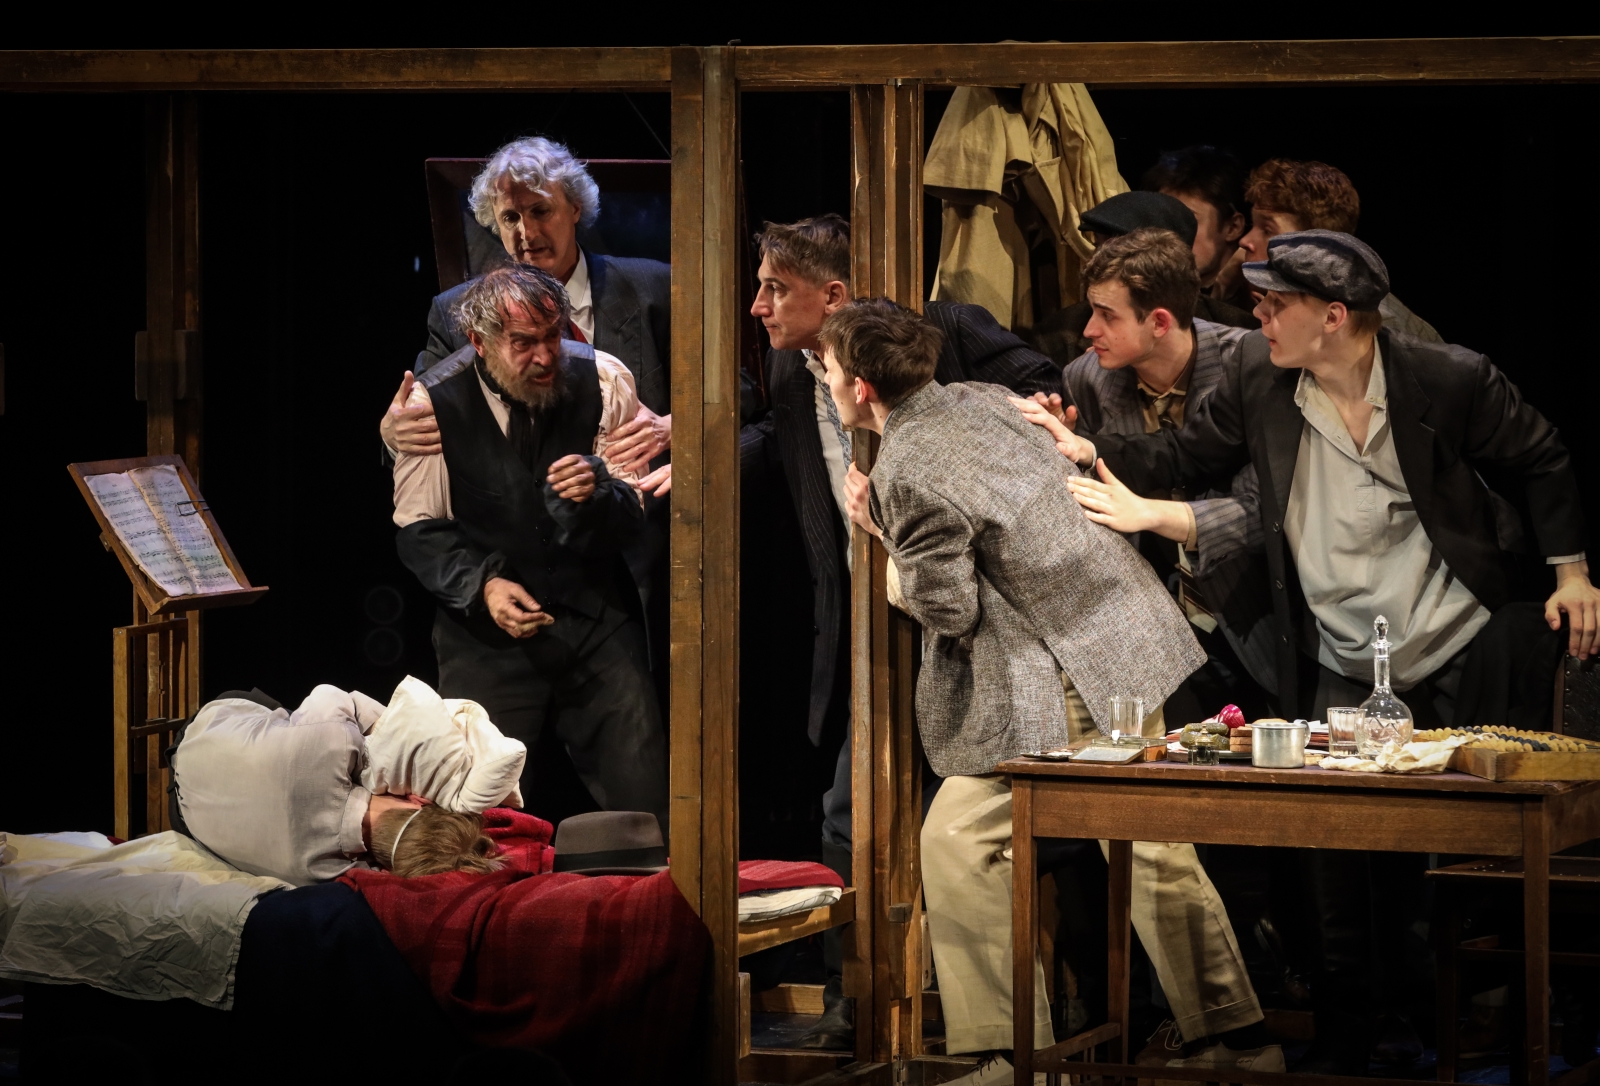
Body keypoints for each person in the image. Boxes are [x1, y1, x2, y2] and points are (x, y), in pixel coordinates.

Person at [1031, 230, 1598, 1069]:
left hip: (1448, 629)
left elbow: (1540, 455)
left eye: (1275, 303)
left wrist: (1571, 572)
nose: (1256, 315)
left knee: (1450, 848)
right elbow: (1185, 453)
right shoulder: (1263, 382)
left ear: (1334, 317)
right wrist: (1087, 449)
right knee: (1337, 847)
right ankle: (1348, 1037)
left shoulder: (1448, 377)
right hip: (1338, 644)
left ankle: (1455, 1024)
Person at [822, 298, 1284, 1082]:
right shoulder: (983, 397)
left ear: (861, 387)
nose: (826, 380)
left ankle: (1010, 1056)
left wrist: (880, 535)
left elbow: (948, 608)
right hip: (1122, 636)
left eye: (830, 369)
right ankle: (1238, 1038)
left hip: (1066, 672)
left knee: (961, 838)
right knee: (1144, 839)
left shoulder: (906, 467)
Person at [739, 213, 1063, 1049]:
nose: (758, 306)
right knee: (850, 811)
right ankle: (861, 995)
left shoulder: (938, 334)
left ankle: (1009, 1021)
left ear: (833, 296)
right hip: (873, 624)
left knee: (973, 821)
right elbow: (779, 454)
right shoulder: (790, 377)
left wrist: (1045, 429)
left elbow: (1040, 385)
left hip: (980, 624)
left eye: (775, 288)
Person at [391, 263, 669, 838]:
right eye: (524, 343)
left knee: (647, 809)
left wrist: (597, 491)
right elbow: (419, 528)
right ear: (479, 342)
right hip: (486, 640)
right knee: (474, 822)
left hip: (595, 621)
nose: (545, 356)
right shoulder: (432, 402)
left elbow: (632, 509)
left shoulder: (604, 379)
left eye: (552, 336)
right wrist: (484, 585)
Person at [1053, 227, 1275, 715]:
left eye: (1107, 315)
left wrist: (1149, 512)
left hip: (1253, 611)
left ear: (1158, 321)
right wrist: (1062, 453)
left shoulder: (1250, 364)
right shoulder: (1086, 378)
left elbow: (1266, 512)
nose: (1088, 330)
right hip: (1157, 627)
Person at [171, 685, 508, 886]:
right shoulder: (323, 873)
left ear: (418, 800)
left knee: (290, 719)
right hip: (185, 816)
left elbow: (331, 695)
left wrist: (380, 743)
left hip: (199, 735)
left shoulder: (334, 743)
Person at [1028, 190, 1254, 366]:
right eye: (1098, 247)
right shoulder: (1058, 337)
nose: (1099, 261)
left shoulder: (1241, 338)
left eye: (1122, 253)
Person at [1238, 158, 1442, 343]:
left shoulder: (1377, 331)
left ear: (1318, 246)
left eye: (1267, 230)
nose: (1245, 241)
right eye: (1252, 225)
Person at [1140, 145, 1251, 310]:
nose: (1166, 234)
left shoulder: (1261, 309)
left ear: (1233, 227)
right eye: (1162, 219)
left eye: (1186, 219)